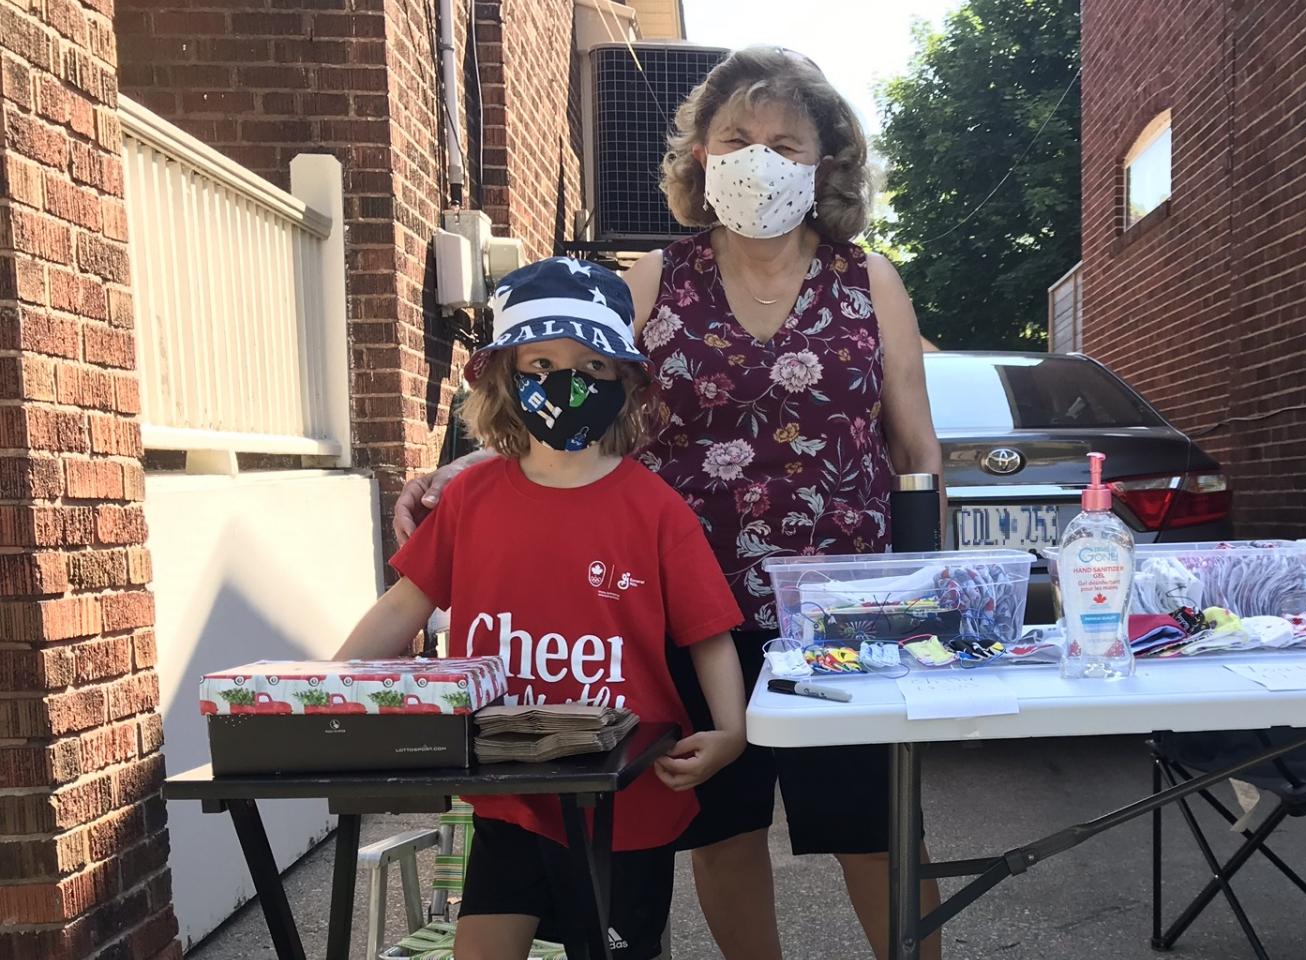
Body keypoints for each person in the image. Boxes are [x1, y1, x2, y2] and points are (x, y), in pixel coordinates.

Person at [392, 46, 945, 960]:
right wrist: (455, 473)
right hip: (692, 611)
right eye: (736, 137)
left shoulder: (869, 281)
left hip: (847, 613)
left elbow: (915, 449)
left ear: (826, 163)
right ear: (698, 154)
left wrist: (931, 594)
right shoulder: (651, 279)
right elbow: (565, 391)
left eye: (784, 142)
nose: (758, 158)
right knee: (723, 833)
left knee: (876, 831)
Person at [340, 256, 748, 960]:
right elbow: (403, 605)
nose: (568, 381)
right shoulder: (469, 502)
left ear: (624, 381)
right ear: (504, 377)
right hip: (510, 793)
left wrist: (732, 734)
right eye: (542, 362)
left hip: (625, 801)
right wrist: (319, 695)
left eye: (593, 365)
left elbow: (709, 635)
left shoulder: (656, 510)